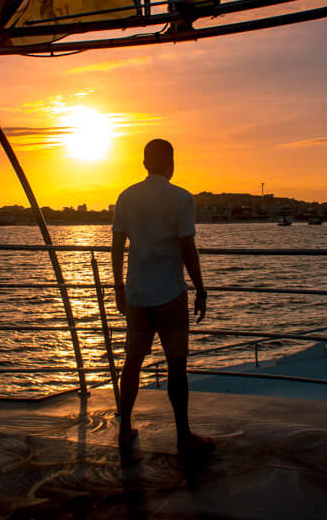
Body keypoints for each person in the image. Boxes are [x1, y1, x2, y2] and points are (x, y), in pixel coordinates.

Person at [111, 138, 213, 457]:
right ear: (172, 163)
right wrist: (200, 289)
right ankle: (183, 436)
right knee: (176, 365)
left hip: (138, 295)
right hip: (170, 293)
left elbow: (116, 247)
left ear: (144, 164)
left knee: (132, 362)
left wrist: (119, 289)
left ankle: (125, 428)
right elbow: (187, 250)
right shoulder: (182, 199)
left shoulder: (127, 197)